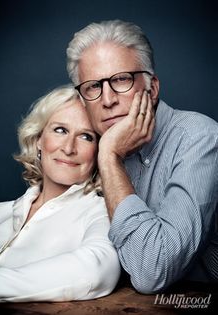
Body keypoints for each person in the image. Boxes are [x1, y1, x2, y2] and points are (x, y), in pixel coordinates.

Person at [66, 20, 218, 293]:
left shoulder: (199, 136)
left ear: (152, 88)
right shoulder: (84, 147)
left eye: (121, 79)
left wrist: (110, 157)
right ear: (82, 101)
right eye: (93, 87)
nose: (108, 99)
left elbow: (153, 271)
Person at [0, 85, 120, 307]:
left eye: (86, 136)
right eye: (60, 130)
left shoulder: (102, 213)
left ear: (99, 151)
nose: (68, 148)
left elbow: (98, 268)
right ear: (38, 139)